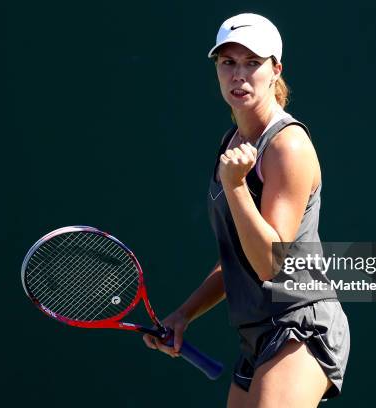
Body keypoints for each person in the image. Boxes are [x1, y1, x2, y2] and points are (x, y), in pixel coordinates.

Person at [143, 13, 350, 407]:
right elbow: (236, 258)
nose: (239, 75)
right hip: (256, 331)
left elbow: (271, 263)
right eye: (228, 63)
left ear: (276, 70)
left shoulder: (287, 146)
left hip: (300, 323)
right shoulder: (232, 144)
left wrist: (236, 185)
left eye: (252, 63)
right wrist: (185, 313)